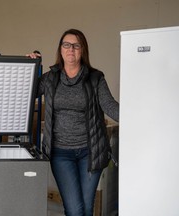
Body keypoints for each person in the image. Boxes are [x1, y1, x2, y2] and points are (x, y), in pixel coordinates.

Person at [28, 29, 119, 216]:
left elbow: (110, 106)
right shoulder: (50, 78)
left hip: (91, 152)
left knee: (86, 207)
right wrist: (29, 66)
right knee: (74, 209)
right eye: (66, 45)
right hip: (60, 154)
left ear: (82, 50)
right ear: (60, 50)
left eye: (76, 45)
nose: (71, 49)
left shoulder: (95, 78)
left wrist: (142, 118)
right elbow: (27, 92)